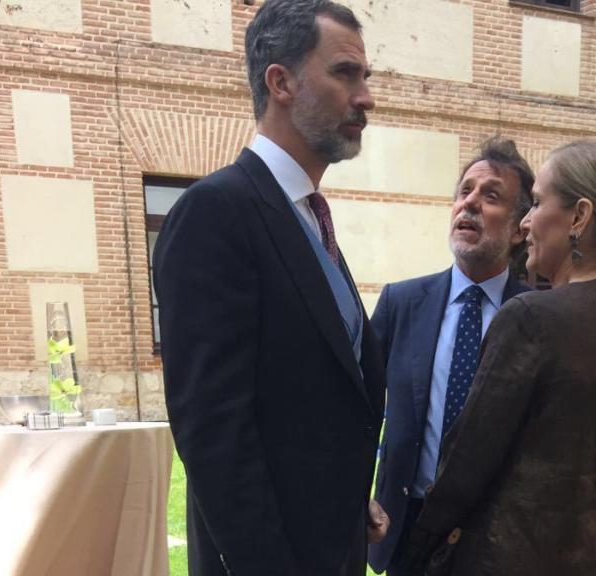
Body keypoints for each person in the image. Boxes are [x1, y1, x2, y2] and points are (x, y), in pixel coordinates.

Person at [152, 2, 388, 574]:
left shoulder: (307, 216)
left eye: (366, 77)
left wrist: (348, 501)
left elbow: (308, 398)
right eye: (344, 73)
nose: (366, 98)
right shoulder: (216, 212)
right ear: (280, 82)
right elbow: (214, 431)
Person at [397, 139, 596, 576]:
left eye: (536, 203)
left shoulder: (531, 318)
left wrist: (417, 549)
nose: (528, 221)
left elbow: (468, 459)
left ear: (579, 217)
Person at [368, 137, 535, 575]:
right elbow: (354, 403)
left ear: (520, 228)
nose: (471, 203)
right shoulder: (401, 303)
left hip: (495, 536)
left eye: (492, 195)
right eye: (465, 191)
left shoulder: (539, 317)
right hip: (406, 529)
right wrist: (354, 491)